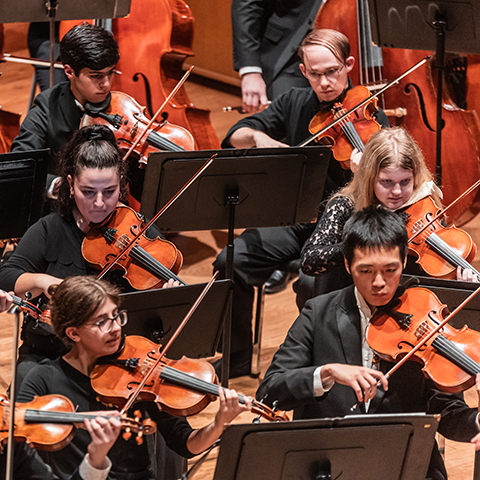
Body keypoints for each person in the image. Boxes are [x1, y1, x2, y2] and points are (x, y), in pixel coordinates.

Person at [257, 206, 480, 480]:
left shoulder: (428, 313)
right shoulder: (319, 313)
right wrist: (326, 373)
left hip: (406, 465)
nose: (379, 283)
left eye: (390, 269)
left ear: (403, 261)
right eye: (366, 270)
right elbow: (269, 392)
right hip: (330, 467)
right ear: (348, 265)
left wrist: (478, 420)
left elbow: (448, 413)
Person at [214, 28, 389, 378]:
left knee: (311, 282)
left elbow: (389, 184)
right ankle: (234, 361)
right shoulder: (293, 102)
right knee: (230, 261)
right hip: (296, 218)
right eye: (316, 73)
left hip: (342, 227)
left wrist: (364, 171)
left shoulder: (371, 117)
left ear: (349, 65)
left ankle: (313, 366)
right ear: (304, 70)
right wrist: (261, 138)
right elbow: (238, 133)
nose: (325, 82)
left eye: (333, 72)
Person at [16, 275, 252, 480]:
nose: (116, 327)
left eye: (117, 316)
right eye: (102, 322)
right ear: (73, 332)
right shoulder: (43, 379)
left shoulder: (138, 370)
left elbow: (186, 443)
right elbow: (19, 451)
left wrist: (219, 423)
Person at [0, 124, 175, 385]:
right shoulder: (50, 228)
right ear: (70, 184)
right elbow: (6, 276)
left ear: (122, 185)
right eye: (88, 192)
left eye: (110, 192)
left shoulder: (140, 231)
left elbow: (152, 320)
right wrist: (42, 281)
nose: (99, 203)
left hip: (118, 358)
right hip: (50, 354)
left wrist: (168, 300)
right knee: (26, 406)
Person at [301, 126, 477, 296]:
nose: (397, 192)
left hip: (410, 306)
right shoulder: (345, 204)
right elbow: (310, 261)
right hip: (354, 300)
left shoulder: (425, 205)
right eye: (387, 182)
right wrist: (364, 244)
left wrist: (460, 285)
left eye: (405, 181)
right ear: (370, 178)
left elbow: (433, 278)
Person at [11, 23, 119, 177]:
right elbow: (21, 166)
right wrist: (58, 186)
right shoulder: (47, 107)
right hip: (59, 200)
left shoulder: (122, 110)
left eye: (110, 73)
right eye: (96, 76)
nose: (106, 84)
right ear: (69, 72)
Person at [232, 0, 323, 113]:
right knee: (290, 111)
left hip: (345, 43)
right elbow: (246, 5)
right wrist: (250, 70)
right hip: (292, 47)